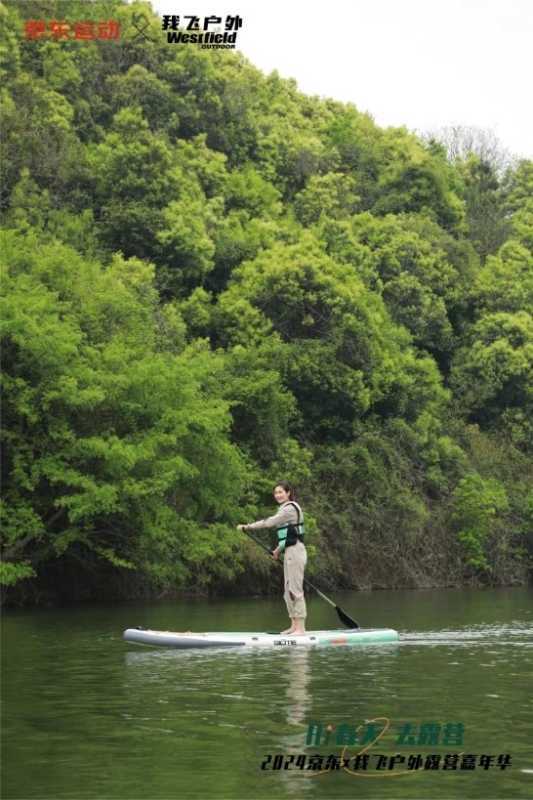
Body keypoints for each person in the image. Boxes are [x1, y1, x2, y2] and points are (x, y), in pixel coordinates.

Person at [237, 481, 308, 635]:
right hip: (289, 551)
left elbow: (270, 522)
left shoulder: (289, 508)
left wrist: (247, 527)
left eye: (281, 492)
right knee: (287, 591)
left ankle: (301, 629)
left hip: (296, 552)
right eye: (276, 493)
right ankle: (294, 626)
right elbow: (289, 535)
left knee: (295, 590)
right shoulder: (284, 509)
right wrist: (277, 550)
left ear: (288, 493)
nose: (278, 495)